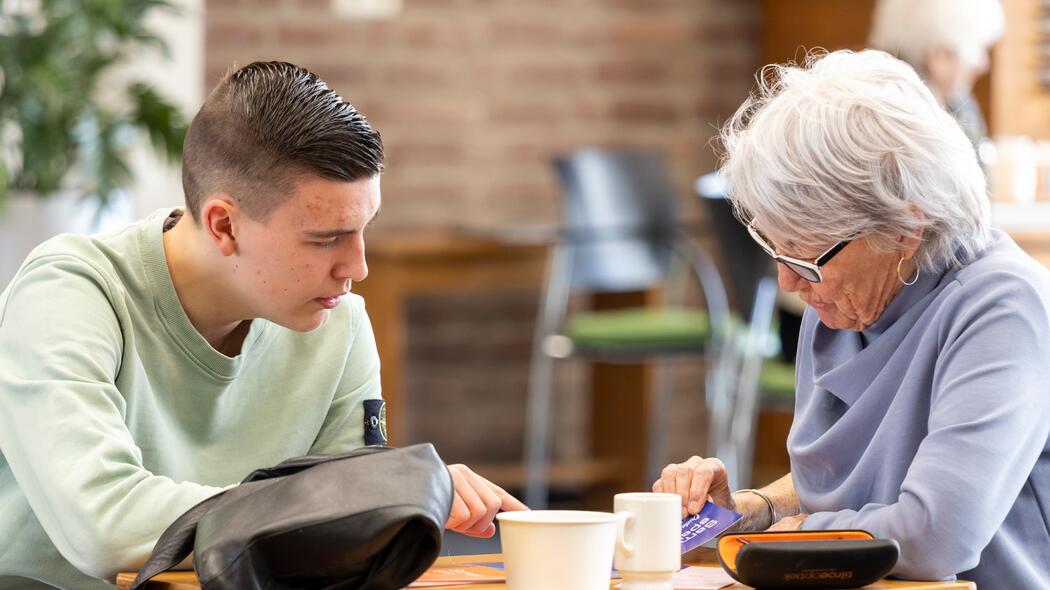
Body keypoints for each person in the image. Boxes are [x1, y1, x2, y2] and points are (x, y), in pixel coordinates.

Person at [0, 61, 526, 589]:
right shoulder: (70, 294)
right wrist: (369, 497)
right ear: (224, 225)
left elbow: (348, 543)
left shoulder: (338, 324)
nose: (358, 268)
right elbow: (105, 529)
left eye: (364, 229)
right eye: (325, 238)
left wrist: (384, 504)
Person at [656, 50, 1050, 587]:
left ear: (905, 229)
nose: (789, 283)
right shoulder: (842, 301)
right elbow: (860, 481)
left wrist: (793, 538)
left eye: (806, 255)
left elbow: (936, 535)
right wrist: (754, 509)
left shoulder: (1002, 307)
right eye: (777, 250)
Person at [868, 0, 1004, 148]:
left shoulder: (958, 102)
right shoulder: (906, 124)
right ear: (939, 57)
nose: (983, 65)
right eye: (979, 49)